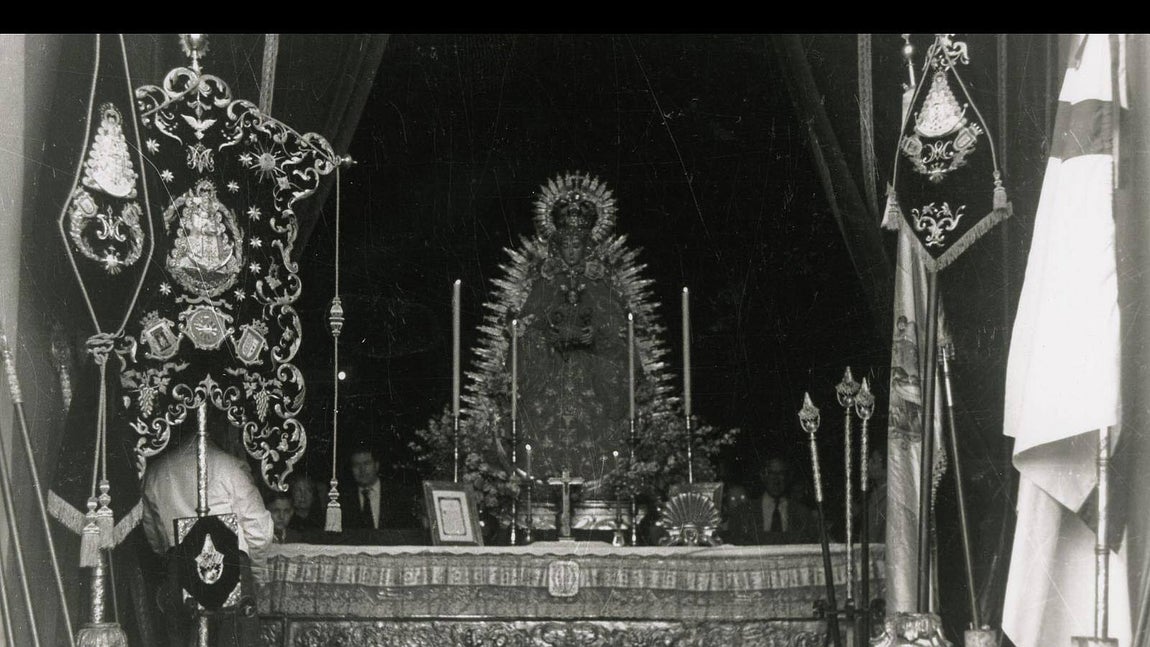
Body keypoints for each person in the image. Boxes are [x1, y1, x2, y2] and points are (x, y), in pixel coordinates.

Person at [140, 406, 272, 647]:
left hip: (178, 568)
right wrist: (257, 573)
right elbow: (259, 530)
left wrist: (173, 558)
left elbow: (153, 532)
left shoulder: (157, 471)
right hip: (231, 569)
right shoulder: (230, 467)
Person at [727, 456, 818, 545]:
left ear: (787, 477)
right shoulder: (744, 513)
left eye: (781, 473)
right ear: (763, 476)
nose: (776, 479)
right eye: (771, 473)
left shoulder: (802, 513)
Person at [340, 446, 421, 541]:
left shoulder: (399, 495)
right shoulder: (343, 499)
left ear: (376, 466)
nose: (362, 470)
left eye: (367, 463)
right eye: (356, 465)